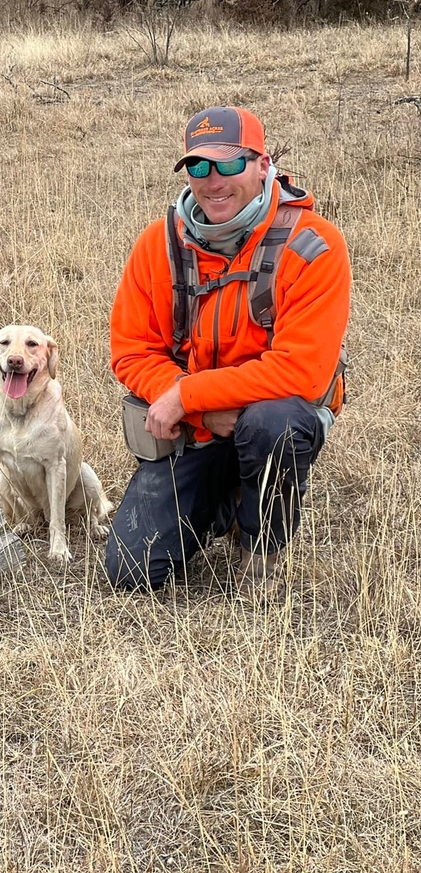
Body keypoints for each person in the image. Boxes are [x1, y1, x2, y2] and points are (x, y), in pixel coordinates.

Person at [105, 106, 351, 600]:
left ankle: (260, 549)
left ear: (263, 165)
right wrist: (192, 404)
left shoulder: (314, 246)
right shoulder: (158, 244)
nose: (213, 181)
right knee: (130, 569)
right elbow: (131, 351)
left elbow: (300, 373)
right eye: (198, 167)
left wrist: (188, 395)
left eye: (229, 164)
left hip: (267, 418)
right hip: (197, 431)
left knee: (272, 426)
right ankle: (232, 496)